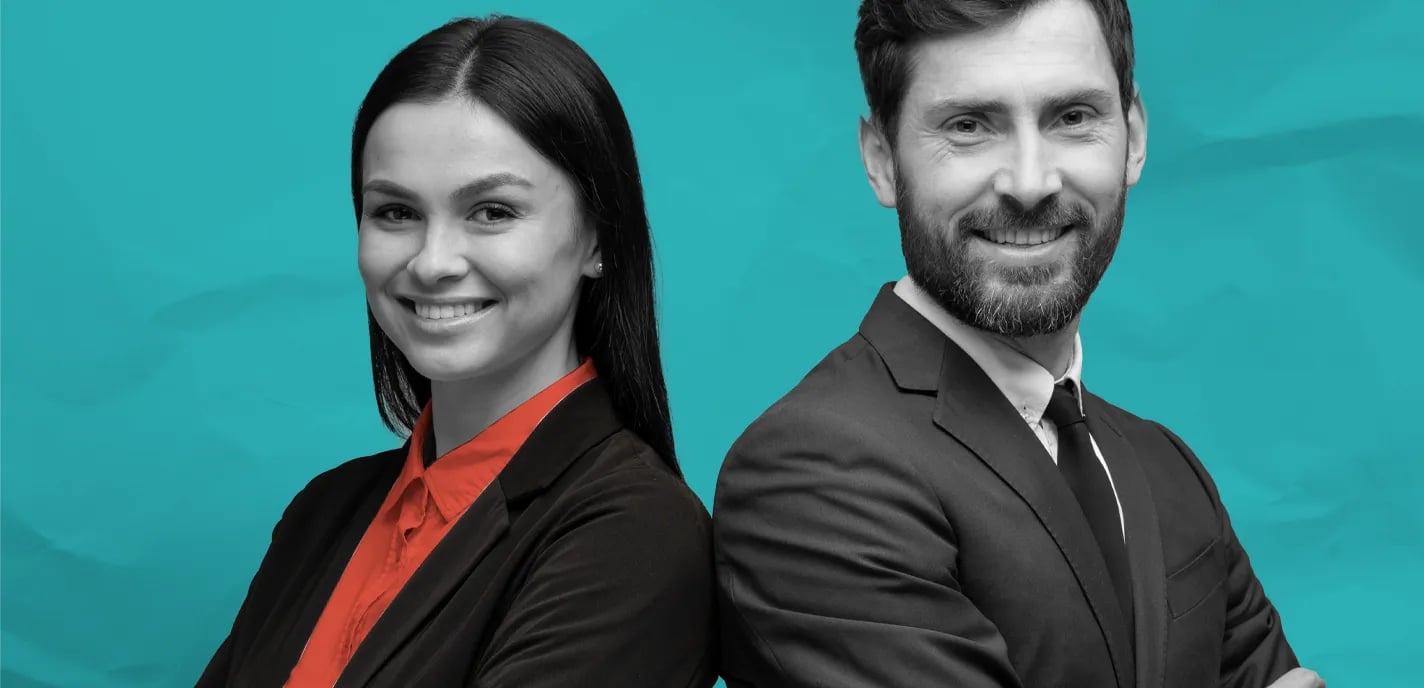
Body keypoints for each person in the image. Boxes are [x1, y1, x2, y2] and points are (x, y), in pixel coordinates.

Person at [712, 1, 1323, 687]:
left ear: (1135, 135)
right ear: (882, 160)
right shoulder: (809, 477)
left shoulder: (1168, 472)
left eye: (1072, 118)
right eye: (970, 126)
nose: (1031, 183)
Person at [197, 15, 716, 687]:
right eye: (396, 212)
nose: (432, 262)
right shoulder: (322, 515)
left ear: (598, 240)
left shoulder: (637, 536)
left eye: (493, 211)